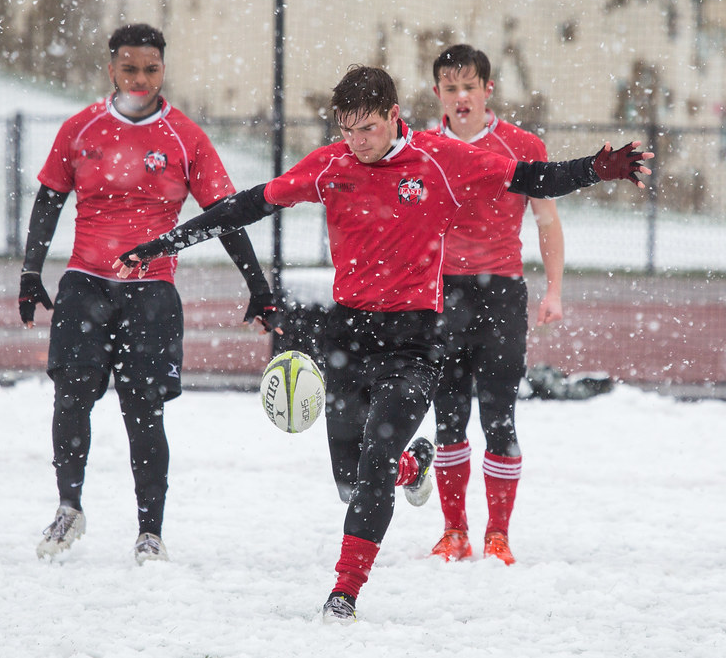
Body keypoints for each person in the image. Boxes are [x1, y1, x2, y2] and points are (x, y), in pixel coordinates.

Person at [113, 65, 651, 622]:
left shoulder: (441, 159)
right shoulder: (332, 165)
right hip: (347, 337)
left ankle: (344, 593)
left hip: (415, 343)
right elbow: (246, 204)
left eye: (367, 127)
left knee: (373, 466)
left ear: (394, 115)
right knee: (349, 482)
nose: (357, 141)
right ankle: (411, 467)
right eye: (347, 129)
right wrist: (161, 244)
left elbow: (533, 177)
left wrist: (597, 168)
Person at [18, 23, 280, 564]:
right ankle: (68, 507)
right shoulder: (80, 128)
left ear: (163, 69)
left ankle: (150, 532)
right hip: (85, 282)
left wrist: (257, 285)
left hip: (151, 290)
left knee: (144, 410)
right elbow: (49, 200)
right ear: (111, 69)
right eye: (130, 68)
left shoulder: (185, 136)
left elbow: (224, 215)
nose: (140, 79)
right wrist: (29, 272)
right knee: (71, 398)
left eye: (151, 69)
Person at [425, 43, 565, 565]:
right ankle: (454, 531)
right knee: (448, 417)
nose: (461, 97)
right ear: (437, 92)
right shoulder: (422, 147)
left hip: (501, 294)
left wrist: (554, 290)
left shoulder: (522, 145)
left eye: (470, 86)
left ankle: (498, 535)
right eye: (450, 88)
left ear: (488, 90)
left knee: (500, 418)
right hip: (440, 294)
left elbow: (546, 219)